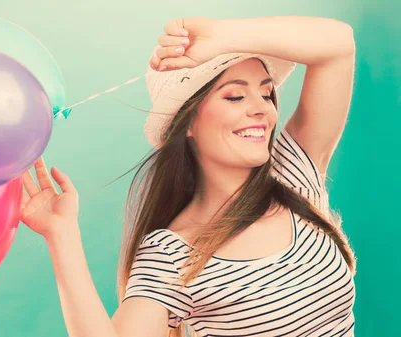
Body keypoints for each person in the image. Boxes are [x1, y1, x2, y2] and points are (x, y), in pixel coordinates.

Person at [20, 15, 357, 337]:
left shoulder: (292, 175)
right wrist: (61, 234)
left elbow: (338, 46)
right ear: (189, 123)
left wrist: (222, 37)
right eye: (235, 95)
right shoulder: (172, 255)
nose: (262, 109)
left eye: (267, 93)